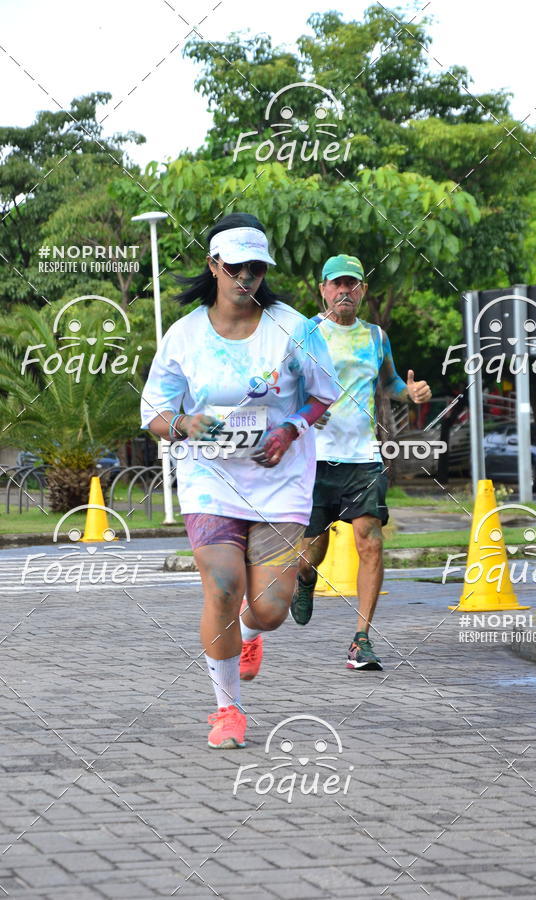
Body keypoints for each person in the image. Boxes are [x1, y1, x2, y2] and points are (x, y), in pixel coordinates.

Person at [140, 213, 339, 749]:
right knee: (224, 586)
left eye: (256, 268)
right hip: (210, 476)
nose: (246, 278)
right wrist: (184, 422)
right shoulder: (183, 336)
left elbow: (324, 394)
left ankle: (251, 636)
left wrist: (291, 430)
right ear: (214, 266)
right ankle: (227, 709)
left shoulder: (293, 328)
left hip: (279, 478)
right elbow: (154, 412)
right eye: (236, 267)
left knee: (270, 608)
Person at [291, 254, 432, 670]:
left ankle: (360, 640)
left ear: (363, 291)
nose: (344, 291)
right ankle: (304, 577)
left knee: (370, 541)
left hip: (364, 457)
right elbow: (280, 384)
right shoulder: (306, 333)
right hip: (314, 459)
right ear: (323, 289)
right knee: (310, 553)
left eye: (352, 284)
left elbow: (388, 383)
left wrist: (411, 393)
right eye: (336, 284)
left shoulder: (375, 336)